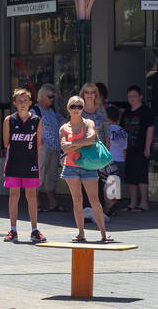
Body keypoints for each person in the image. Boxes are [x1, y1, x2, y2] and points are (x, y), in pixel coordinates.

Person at [60, 95, 111, 243]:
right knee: (77, 200)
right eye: (73, 106)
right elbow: (64, 147)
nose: (76, 109)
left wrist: (73, 145)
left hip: (88, 166)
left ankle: (103, 233)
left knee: (94, 200)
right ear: (68, 108)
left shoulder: (88, 122)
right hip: (71, 167)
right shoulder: (64, 127)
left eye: (79, 107)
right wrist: (79, 144)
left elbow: (91, 139)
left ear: (82, 109)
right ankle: (81, 233)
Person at [2, 88, 43, 244]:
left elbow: (38, 143)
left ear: (30, 103)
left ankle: (34, 230)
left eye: (26, 100)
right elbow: (6, 142)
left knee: (31, 195)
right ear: (14, 103)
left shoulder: (37, 120)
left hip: (30, 163)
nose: (23, 103)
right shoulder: (9, 120)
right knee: (14, 195)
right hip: (13, 163)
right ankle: (13, 230)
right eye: (20, 101)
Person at [120, 84, 155, 212]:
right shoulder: (126, 112)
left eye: (134, 96)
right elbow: (122, 131)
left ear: (140, 97)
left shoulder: (146, 111)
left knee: (141, 176)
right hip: (128, 149)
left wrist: (147, 148)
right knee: (131, 177)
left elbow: (150, 129)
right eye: (129, 96)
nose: (132, 98)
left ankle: (144, 203)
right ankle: (133, 203)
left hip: (141, 148)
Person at [34, 85, 62, 212]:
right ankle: (36, 202)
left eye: (53, 97)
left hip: (55, 147)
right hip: (42, 148)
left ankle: (53, 202)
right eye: (50, 96)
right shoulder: (35, 111)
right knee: (39, 174)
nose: (52, 99)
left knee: (52, 175)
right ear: (42, 97)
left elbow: (62, 121)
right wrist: (40, 144)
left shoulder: (53, 110)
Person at [105, 104, 127, 215]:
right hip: (121, 160)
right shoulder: (123, 131)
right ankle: (114, 206)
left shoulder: (108, 130)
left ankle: (109, 207)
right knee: (116, 186)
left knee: (110, 186)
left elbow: (107, 145)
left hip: (110, 160)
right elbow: (124, 149)